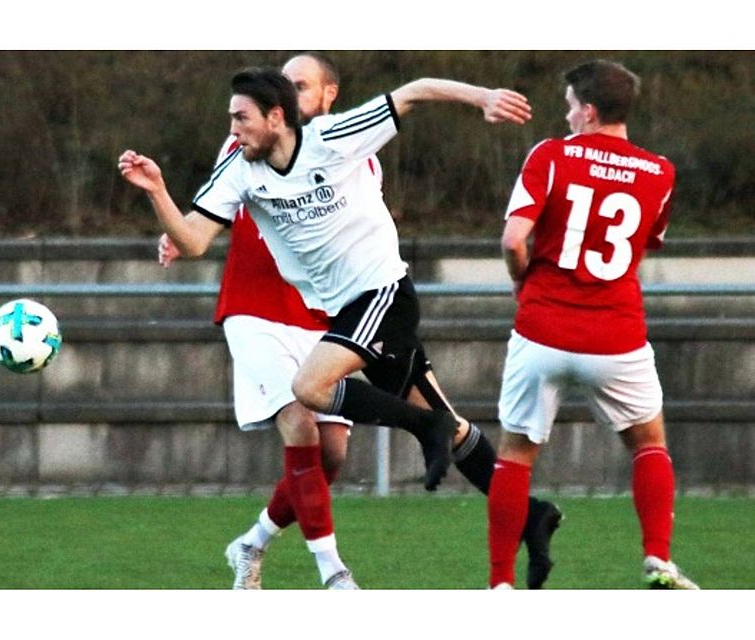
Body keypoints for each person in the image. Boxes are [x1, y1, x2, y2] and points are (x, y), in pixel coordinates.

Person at [160, 53, 563, 590]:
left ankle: (331, 551)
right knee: (449, 424)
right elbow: (201, 229)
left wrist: (483, 98)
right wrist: (164, 204)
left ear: (324, 95)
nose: (237, 125)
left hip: (372, 299)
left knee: (321, 394)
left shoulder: (345, 142)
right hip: (312, 309)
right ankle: (529, 516)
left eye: (300, 84)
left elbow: (413, 93)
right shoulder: (244, 154)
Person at [487, 59, 699, 589]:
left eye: (568, 107)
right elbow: (640, 245)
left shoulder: (551, 155)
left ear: (587, 110)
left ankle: (499, 585)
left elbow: (514, 239)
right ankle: (657, 557)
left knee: (516, 454)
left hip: (543, 330)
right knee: (649, 443)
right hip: (616, 335)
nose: (565, 116)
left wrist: (521, 280)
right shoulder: (660, 172)